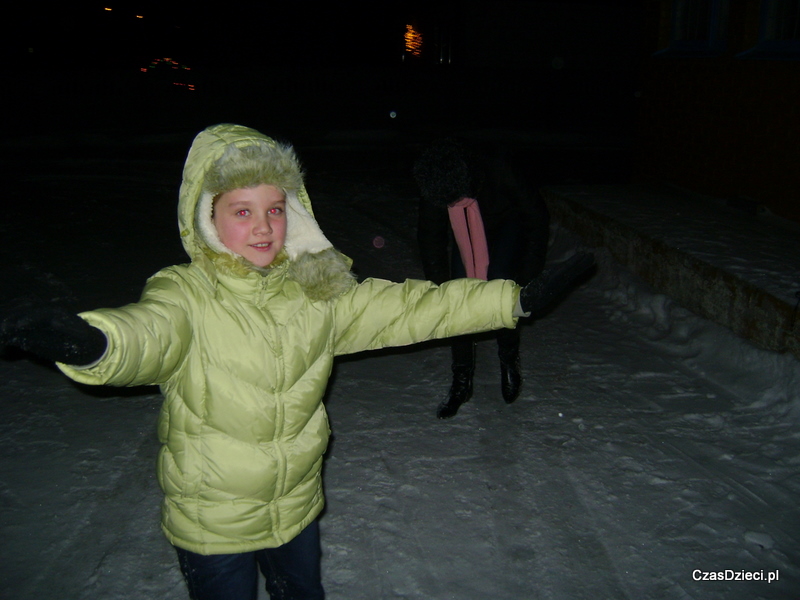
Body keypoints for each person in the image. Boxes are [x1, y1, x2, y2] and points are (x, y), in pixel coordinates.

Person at [0, 124, 593, 600]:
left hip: (297, 507)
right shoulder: (186, 294)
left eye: (275, 208)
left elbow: (414, 308)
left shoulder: (318, 294)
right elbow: (145, 333)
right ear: (207, 216)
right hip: (215, 522)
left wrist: (511, 299)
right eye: (241, 210)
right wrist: (91, 343)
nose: (263, 226)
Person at [413, 138, 550, 418]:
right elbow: (430, 239)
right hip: (465, 228)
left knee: (501, 286)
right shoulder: (437, 186)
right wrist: (441, 290)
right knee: (458, 296)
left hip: (505, 223)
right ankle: (462, 380)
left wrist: (526, 276)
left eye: (453, 200)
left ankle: (508, 357)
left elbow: (536, 218)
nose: (447, 204)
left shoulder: (499, 169)